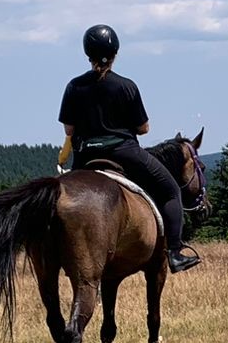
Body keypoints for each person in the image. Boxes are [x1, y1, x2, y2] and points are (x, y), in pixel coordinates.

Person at [59, 23, 201, 273]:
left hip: (84, 157)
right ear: (115, 53)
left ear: (87, 54)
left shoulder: (73, 86)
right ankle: (175, 253)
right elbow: (143, 128)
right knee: (170, 190)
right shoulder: (126, 86)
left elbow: (69, 130)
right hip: (123, 153)